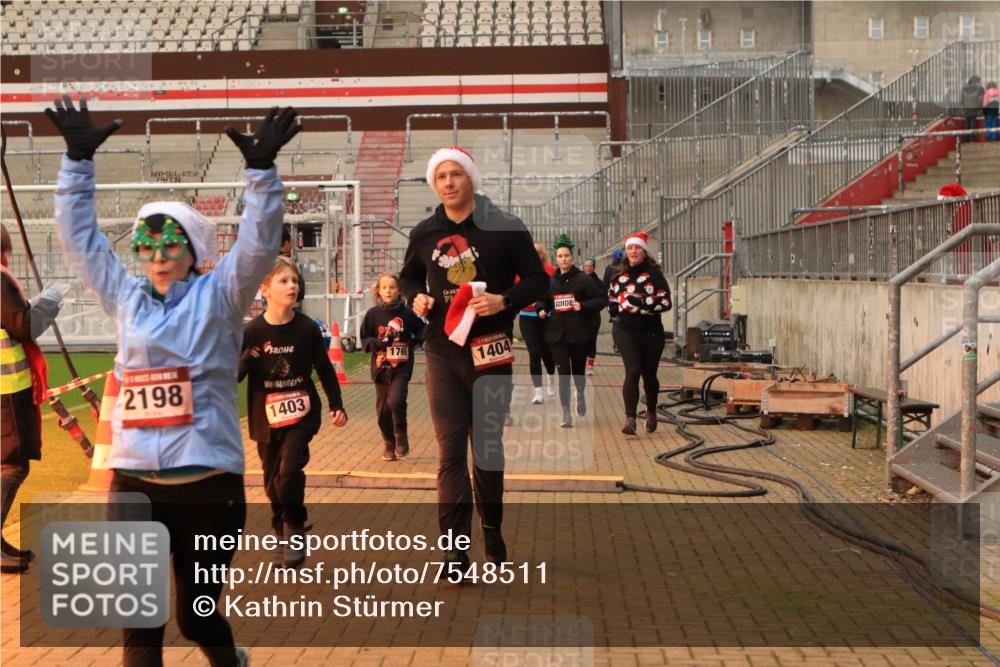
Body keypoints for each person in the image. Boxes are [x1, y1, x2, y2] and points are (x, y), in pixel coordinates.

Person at [48, 95, 300, 667]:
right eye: (146, 245)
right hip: (134, 482)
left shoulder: (222, 295)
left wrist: (261, 173)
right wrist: (76, 164)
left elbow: (260, 244)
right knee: (140, 627)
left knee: (194, 616)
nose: (157, 256)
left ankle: (228, 659)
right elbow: (81, 243)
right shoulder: (124, 298)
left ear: (192, 253)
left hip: (209, 485)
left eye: (170, 245)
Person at [399, 146, 547, 573]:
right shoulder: (425, 231)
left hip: (491, 350)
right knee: (449, 453)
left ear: (470, 179)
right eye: (441, 176)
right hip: (443, 352)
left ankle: (492, 526)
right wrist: (416, 297)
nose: (448, 182)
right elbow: (409, 275)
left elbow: (537, 278)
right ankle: (454, 551)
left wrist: (505, 301)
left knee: (486, 448)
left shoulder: (504, 226)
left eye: (455, 174)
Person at [239, 256, 347, 567]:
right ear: (265, 289)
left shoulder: (307, 328)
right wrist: (245, 358)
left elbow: (325, 369)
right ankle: (280, 529)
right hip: (265, 419)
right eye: (284, 281)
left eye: (295, 281)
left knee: (288, 474)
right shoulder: (253, 331)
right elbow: (233, 375)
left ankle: (296, 527)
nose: (291, 286)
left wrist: (336, 405)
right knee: (272, 482)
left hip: (301, 414)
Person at [0, 224, 66, 574]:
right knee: (13, 465)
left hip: (6, 389)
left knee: (7, 464)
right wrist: (51, 299)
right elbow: (23, 325)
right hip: (7, 390)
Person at [535, 237, 605, 427]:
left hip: (579, 334)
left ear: (572, 258)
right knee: (564, 374)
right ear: (556, 259)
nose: (563, 259)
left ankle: (580, 394)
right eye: (560, 256)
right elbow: (543, 301)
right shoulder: (550, 281)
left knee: (578, 373)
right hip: (557, 335)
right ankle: (566, 412)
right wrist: (541, 310)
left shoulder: (583, 279)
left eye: (566, 256)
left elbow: (601, 300)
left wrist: (581, 305)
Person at [608, 231, 672, 435]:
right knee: (633, 370)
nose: (633, 251)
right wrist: (613, 307)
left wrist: (641, 302)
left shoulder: (655, 274)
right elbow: (611, 296)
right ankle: (630, 419)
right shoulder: (617, 274)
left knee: (649, 375)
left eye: (637, 248)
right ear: (626, 252)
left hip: (651, 330)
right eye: (630, 248)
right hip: (625, 328)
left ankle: (651, 411)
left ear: (644, 251)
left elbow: (666, 302)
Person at [359, 272, 424, 462]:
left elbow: (422, 330)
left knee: (396, 400)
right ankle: (389, 442)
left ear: (399, 291)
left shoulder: (407, 313)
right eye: (384, 287)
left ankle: (401, 435)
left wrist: (412, 342)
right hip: (380, 369)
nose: (388, 290)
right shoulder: (372, 314)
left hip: (401, 369)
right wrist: (378, 343)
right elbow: (363, 339)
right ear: (378, 291)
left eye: (392, 287)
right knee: (382, 412)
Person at [517, 241, 557, 404]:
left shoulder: (552, 271)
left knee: (547, 352)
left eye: (540, 252)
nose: (537, 255)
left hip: (546, 317)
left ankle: (551, 377)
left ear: (544, 254)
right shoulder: (520, 271)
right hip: (526, 316)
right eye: (534, 252)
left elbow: (557, 293)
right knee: (534, 353)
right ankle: (538, 392)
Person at [581, 256, 603, 375]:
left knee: (591, 341)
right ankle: (580, 364)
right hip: (580, 317)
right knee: (580, 341)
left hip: (593, 317)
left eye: (590, 266)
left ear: (594, 268)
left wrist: (591, 306)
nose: (588, 268)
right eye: (586, 265)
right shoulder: (578, 280)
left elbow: (602, 300)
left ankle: (589, 366)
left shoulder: (598, 283)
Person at [603, 248, 624, 354]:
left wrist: (607, 300)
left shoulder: (609, 268)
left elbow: (605, 284)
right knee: (619, 323)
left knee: (616, 323)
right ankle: (619, 344)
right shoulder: (625, 268)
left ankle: (617, 345)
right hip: (621, 299)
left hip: (613, 300)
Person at [961, 75, 985, 142]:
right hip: (974, 108)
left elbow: (962, 100)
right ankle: (972, 139)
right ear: (977, 81)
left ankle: (966, 139)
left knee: (967, 122)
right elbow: (981, 100)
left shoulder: (964, 88)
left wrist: (964, 106)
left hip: (966, 108)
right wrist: (980, 108)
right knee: (972, 122)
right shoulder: (980, 88)